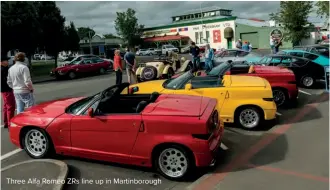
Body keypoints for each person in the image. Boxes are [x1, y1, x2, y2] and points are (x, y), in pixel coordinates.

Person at [1, 56, 16, 128]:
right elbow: (8, 80)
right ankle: (10, 123)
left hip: (3, 90)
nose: (7, 62)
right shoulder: (4, 70)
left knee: (6, 107)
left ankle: (6, 122)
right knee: (11, 106)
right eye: (6, 60)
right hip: (7, 90)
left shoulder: (3, 69)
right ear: (2, 62)